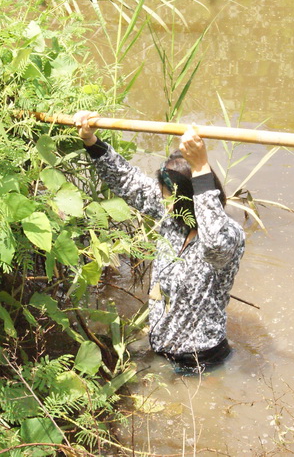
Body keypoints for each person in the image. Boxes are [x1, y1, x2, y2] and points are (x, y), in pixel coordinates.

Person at [74, 111, 245, 374]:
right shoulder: (172, 218)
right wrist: (91, 140)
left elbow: (214, 247)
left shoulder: (228, 234)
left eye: (168, 197)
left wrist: (201, 169)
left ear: (189, 197)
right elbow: (128, 182)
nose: (162, 203)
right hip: (162, 347)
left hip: (201, 359)